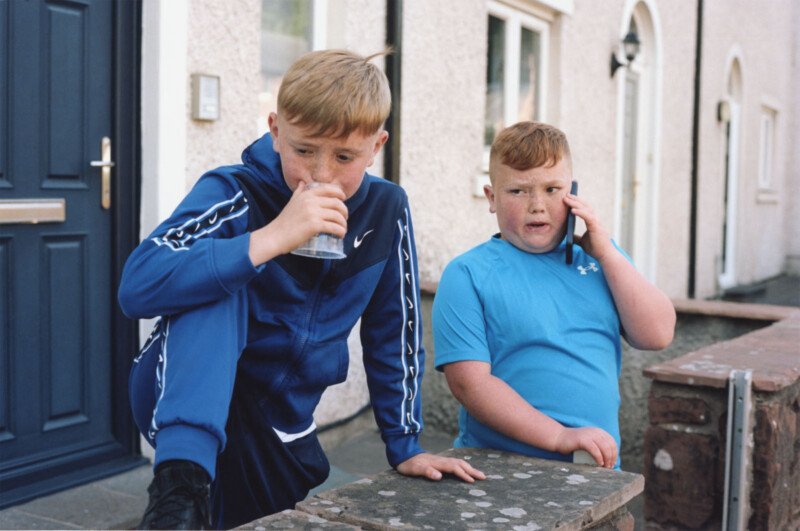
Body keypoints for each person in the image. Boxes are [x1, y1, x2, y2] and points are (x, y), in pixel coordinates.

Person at [119, 49, 484, 530]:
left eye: (345, 156)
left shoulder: (386, 209)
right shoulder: (234, 191)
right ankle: (179, 489)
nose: (321, 174)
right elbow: (138, 284)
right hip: (187, 393)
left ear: (376, 146)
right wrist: (270, 239)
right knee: (219, 280)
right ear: (275, 130)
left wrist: (405, 444)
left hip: (283, 432)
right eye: (304, 150)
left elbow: (394, 330)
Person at [432, 121, 675, 471]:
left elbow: (657, 334)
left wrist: (607, 254)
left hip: (595, 468)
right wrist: (559, 437)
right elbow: (470, 384)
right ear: (491, 197)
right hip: (499, 467)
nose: (537, 205)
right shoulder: (468, 273)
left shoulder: (602, 259)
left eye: (552, 189)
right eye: (518, 191)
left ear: (572, 193)